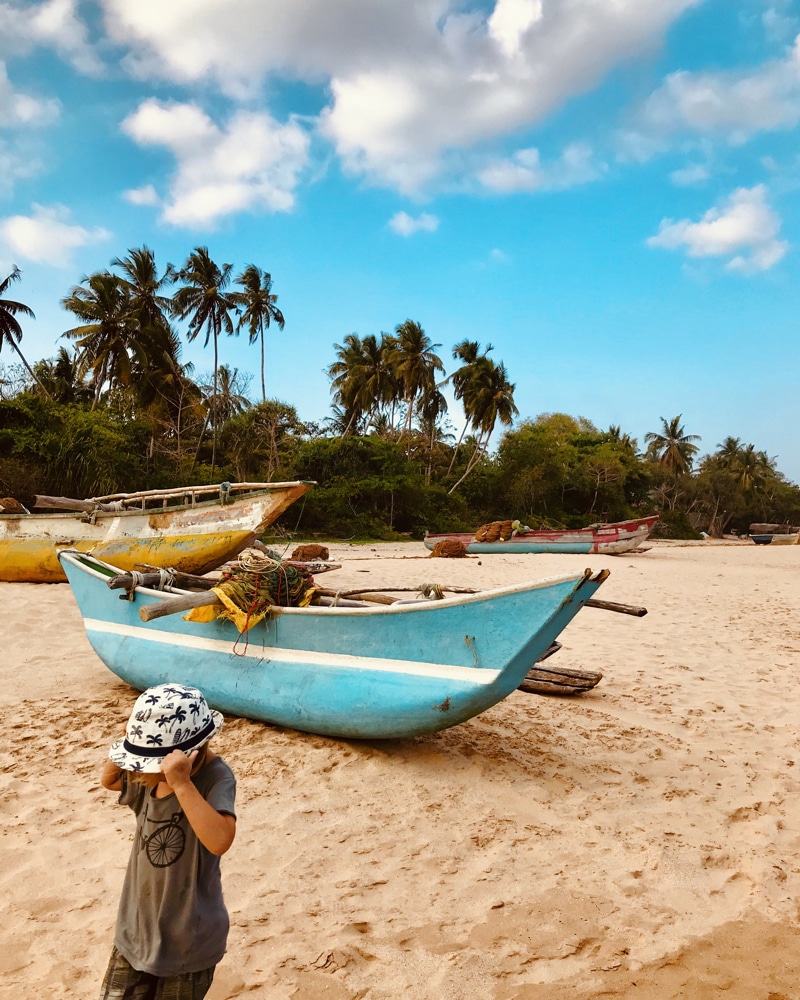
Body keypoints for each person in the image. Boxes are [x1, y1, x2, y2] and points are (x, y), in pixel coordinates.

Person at [98, 682, 237, 1000]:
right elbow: (108, 780)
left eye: (150, 765)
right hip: (136, 928)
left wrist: (182, 783)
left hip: (187, 939)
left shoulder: (216, 779)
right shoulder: (147, 781)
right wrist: (130, 742)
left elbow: (219, 840)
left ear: (190, 755)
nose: (142, 773)